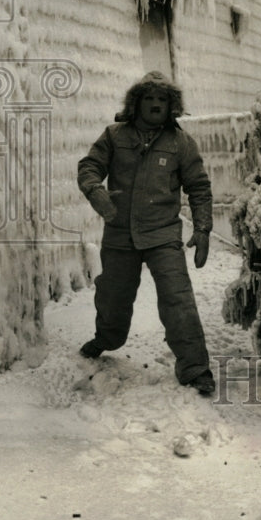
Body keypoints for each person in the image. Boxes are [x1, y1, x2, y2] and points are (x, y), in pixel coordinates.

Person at [77, 71, 215, 396]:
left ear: (172, 106)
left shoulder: (181, 143)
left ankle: (196, 370)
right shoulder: (114, 135)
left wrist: (204, 227)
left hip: (163, 235)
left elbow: (199, 187)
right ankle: (106, 340)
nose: (155, 104)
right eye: (149, 98)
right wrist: (95, 190)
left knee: (178, 300)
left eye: (162, 99)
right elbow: (89, 166)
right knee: (112, 298)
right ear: (136, 102)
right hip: (119, 234)